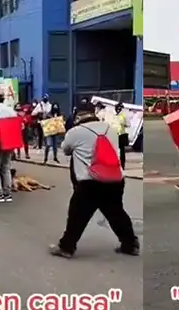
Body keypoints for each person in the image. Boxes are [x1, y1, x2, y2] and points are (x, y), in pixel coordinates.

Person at [50, 102, 140, 258]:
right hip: (115, 180)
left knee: (77, 215)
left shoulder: (75, 132)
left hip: (89, 182)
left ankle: (66, 247)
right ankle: (130, 244)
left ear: (78, 115)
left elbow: (66, 149)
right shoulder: (110, 129)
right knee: (116, 213)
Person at [112, 102, 129, 170]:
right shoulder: (112, 115)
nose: (119, 110)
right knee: (114, 151)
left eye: (120, 108)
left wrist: (124, 124)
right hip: (114, 134)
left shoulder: (123, 115)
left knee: (122, 151)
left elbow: (128, 124)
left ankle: (122, 165)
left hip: (122, 134)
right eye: (118, 108)